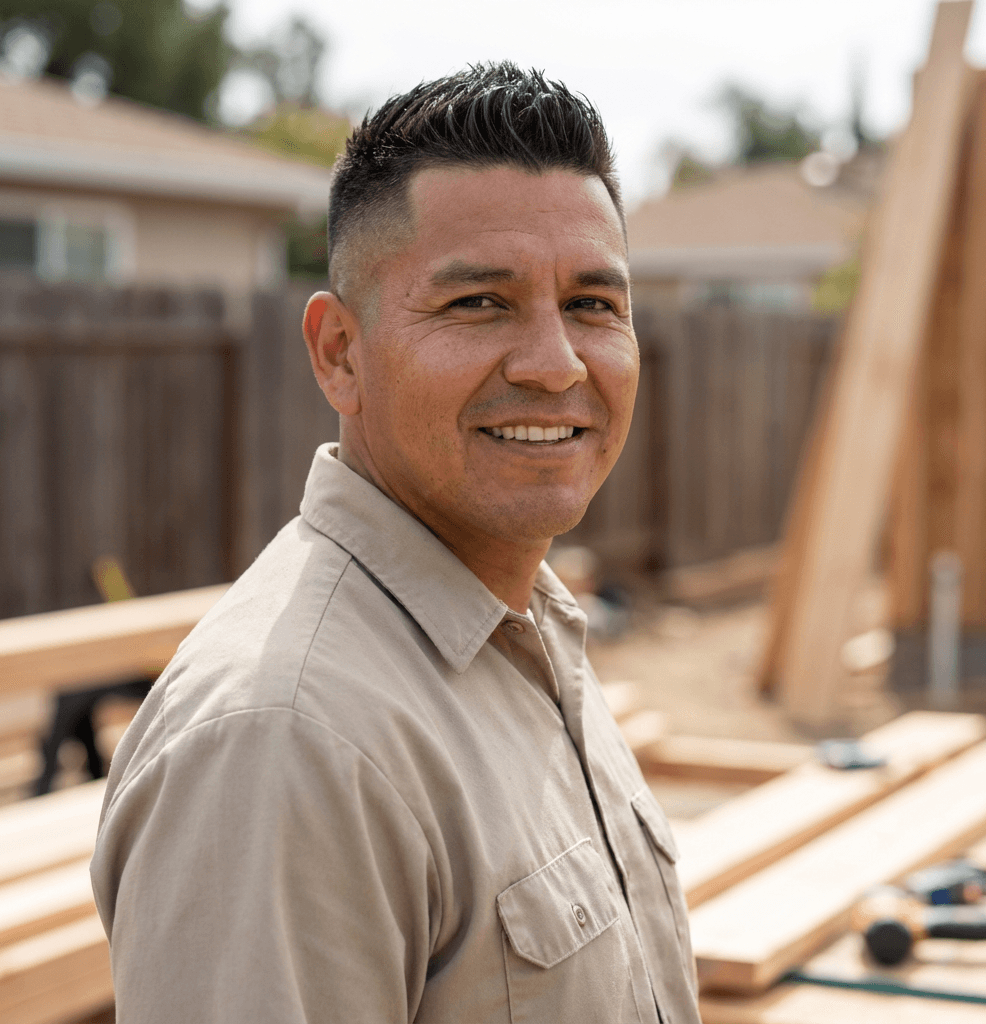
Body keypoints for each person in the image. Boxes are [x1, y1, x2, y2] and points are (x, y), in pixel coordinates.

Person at [90, 63, 701, 1024]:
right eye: (477, 304)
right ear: (340, 352)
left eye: (593, 303)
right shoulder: (284, 740)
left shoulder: (524, 632)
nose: (555, 363)